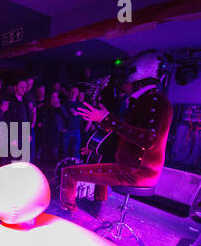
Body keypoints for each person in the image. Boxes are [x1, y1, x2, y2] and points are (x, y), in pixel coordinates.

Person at [60, 50, 173, 212]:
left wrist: (107, 119)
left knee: (68, 173)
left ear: (137, 77)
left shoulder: (154, 100)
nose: (122, 84)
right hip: (131, 168)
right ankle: (96, 204)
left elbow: (149, 141)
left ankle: (67, 214)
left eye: (125, 79)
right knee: (96, 163)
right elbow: (127, 136)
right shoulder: (146, 100)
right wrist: (101, 134)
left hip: (135, 172)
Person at [3, 77, 31, 163]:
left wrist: (28, 133)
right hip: (14, 135)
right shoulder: (10, 100)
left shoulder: (25, 100)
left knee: (23, 159)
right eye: (21, 87)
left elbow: (27, 118)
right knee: (13, 159)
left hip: (24, 134)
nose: (23, 89)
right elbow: (7, 119)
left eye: (25, 87)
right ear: (15, 87)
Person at [40, 91, 68, 165]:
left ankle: (56, 167)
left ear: (58, 98)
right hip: (47, 132)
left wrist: (58, 107)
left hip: (56, 133)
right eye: (52, 97)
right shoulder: (45, 108)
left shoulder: (60, 108)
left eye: (55, 97)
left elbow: (66, 117)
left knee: (56, 151)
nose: (54, 99)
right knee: (47, 152)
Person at [62, 86, 83, 159]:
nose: (73, 94)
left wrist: (77, 114)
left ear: (77, 94)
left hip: (76, 131)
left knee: (76, 151)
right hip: (66, 131)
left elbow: (83, 117)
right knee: (65, 151)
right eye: (72, 92)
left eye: (75, 92)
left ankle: (76, 167)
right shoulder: (64, 104)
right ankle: (64, 167)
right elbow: (61, 117)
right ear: (69, 93)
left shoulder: (80, 104)